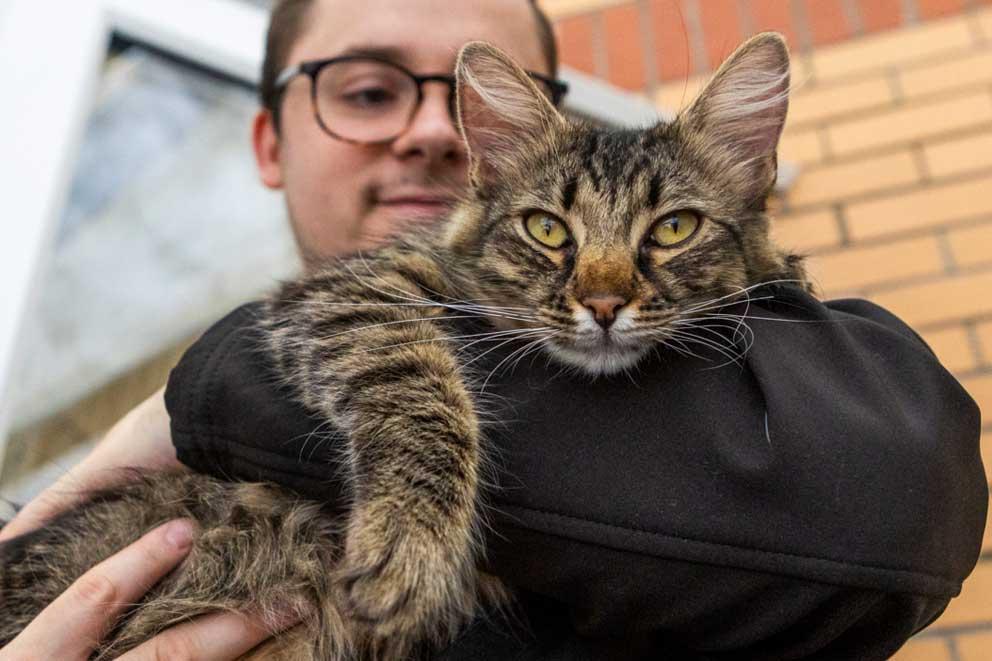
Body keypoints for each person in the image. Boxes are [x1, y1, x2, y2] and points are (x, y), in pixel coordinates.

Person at [2, 1, 986, 658]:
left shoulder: (799, 371)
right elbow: (337, 308)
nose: (601, 287)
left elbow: (891, 502)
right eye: (366, 89)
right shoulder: (428, 286)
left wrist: (208, 388)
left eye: (670, 228)